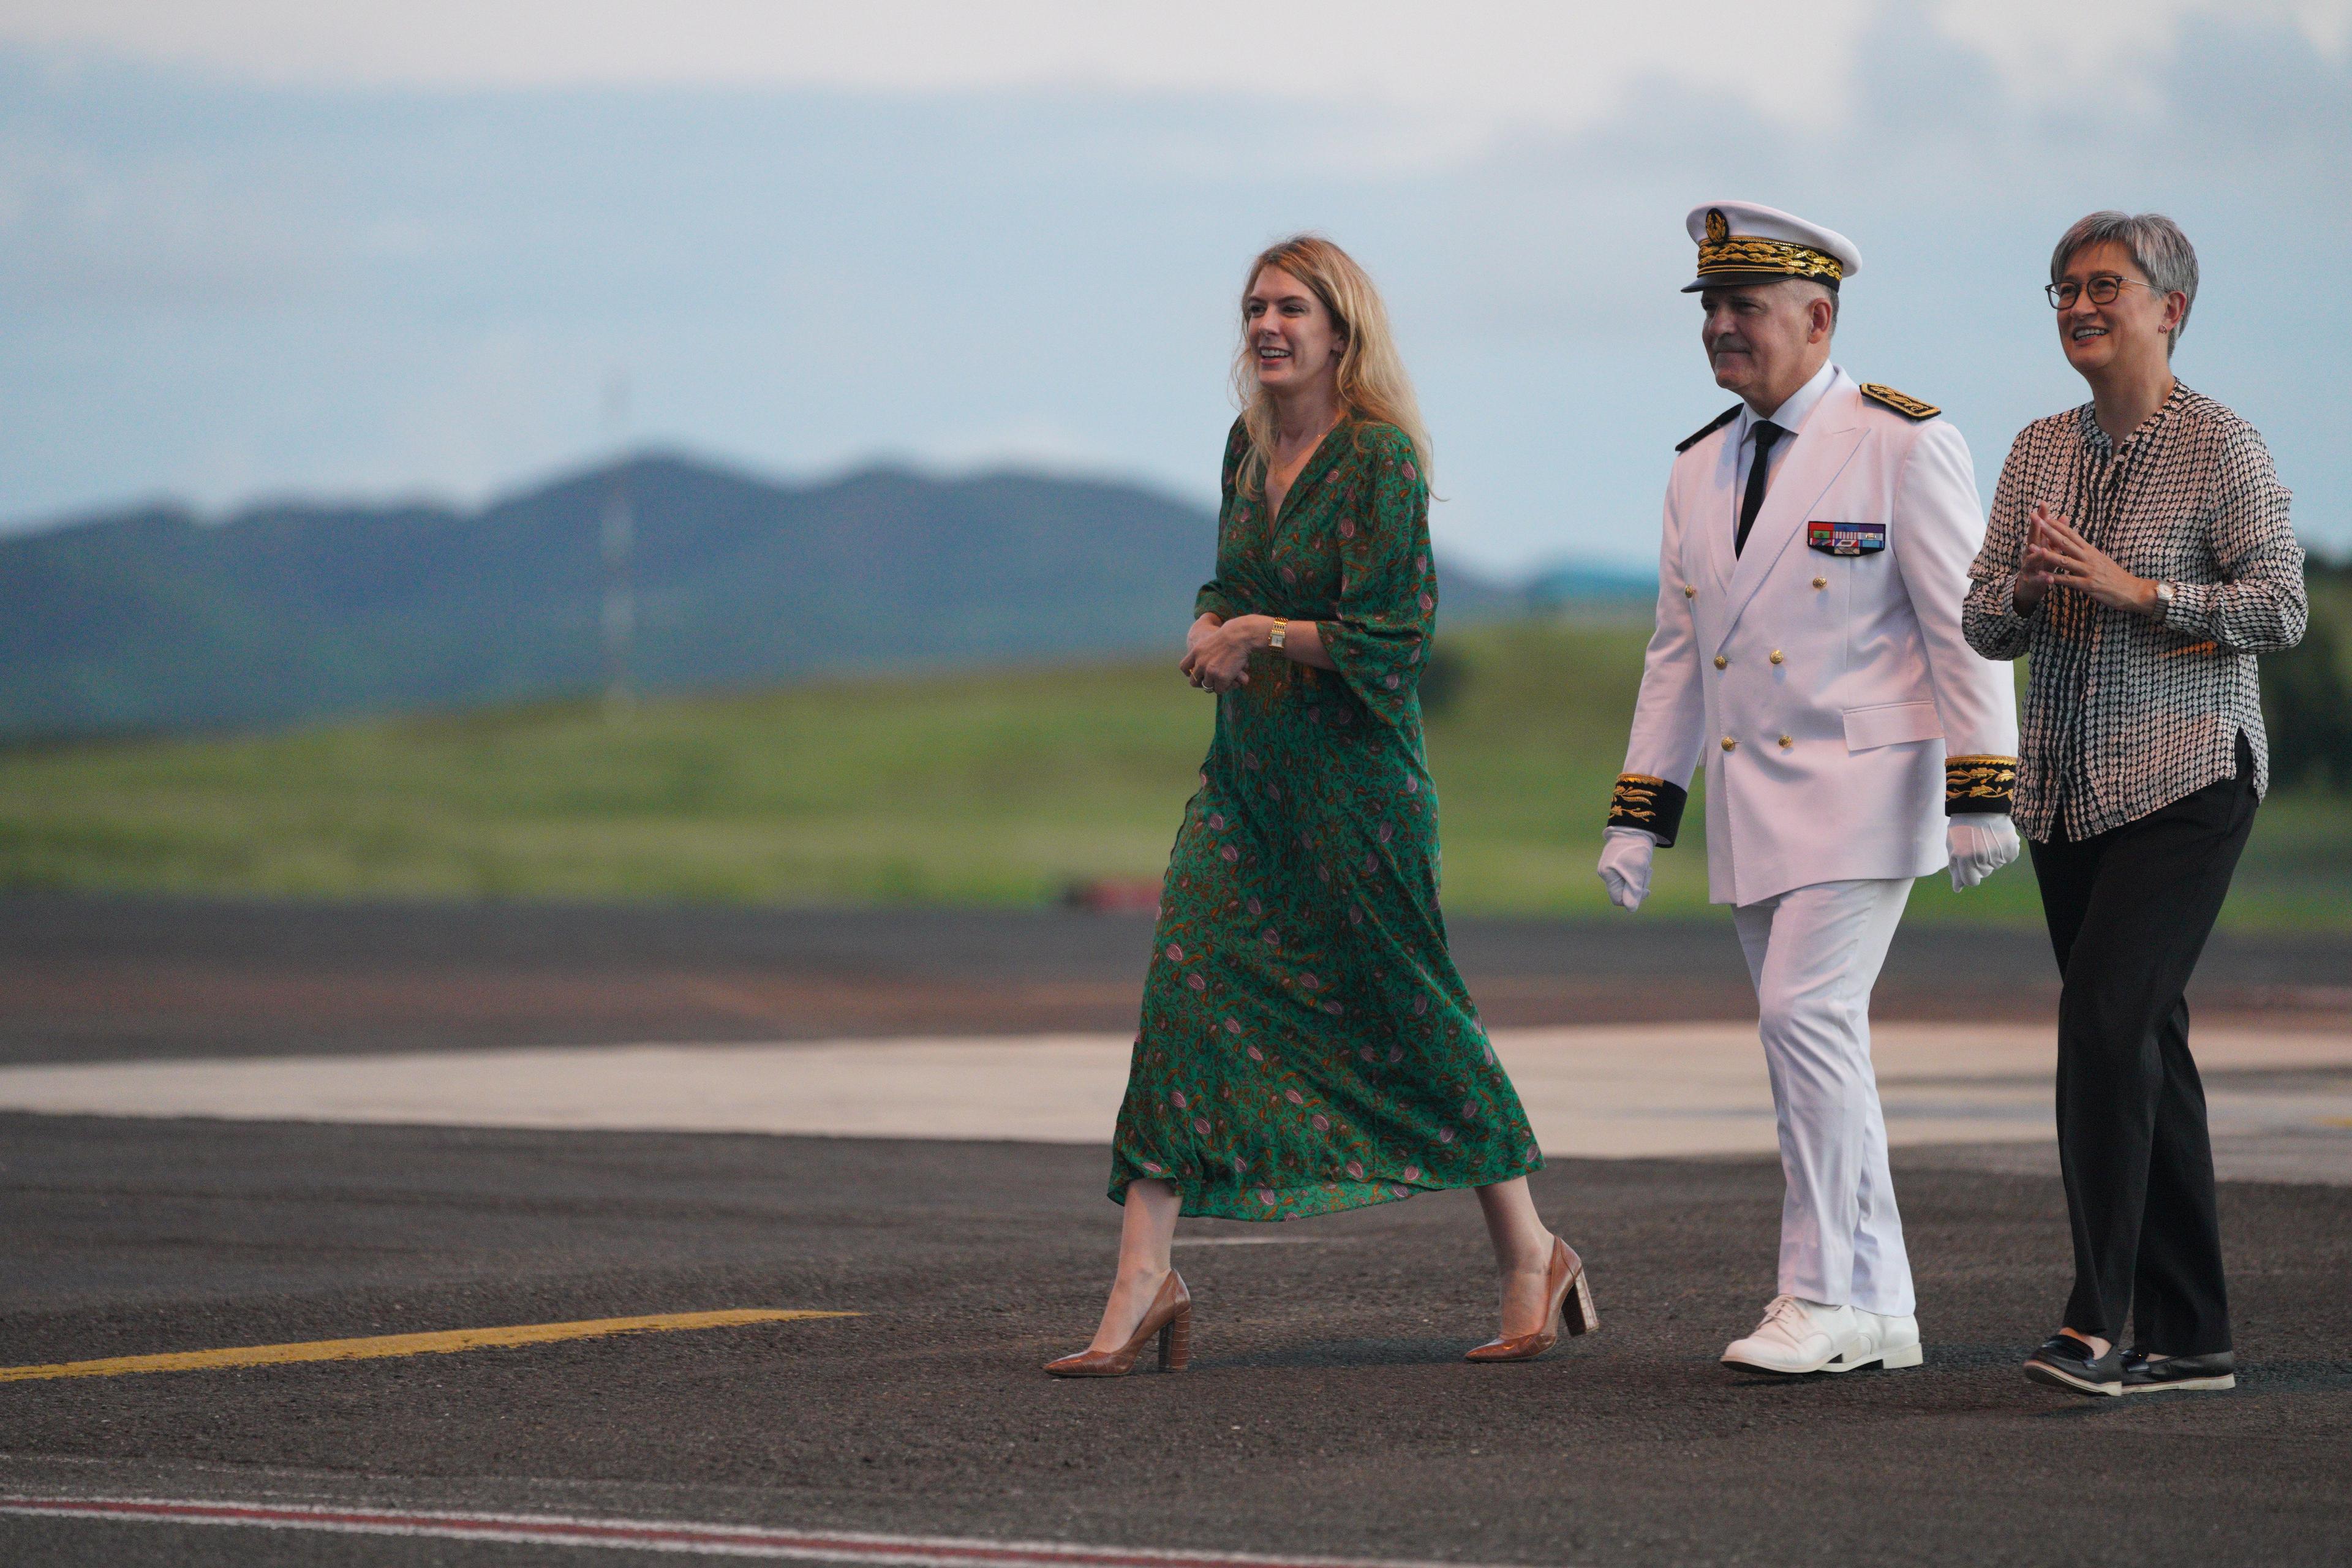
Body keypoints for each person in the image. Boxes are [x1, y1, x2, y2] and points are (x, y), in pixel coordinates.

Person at [1045, 235, 1594, 1377]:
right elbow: (1228, 583)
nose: (1267, 325)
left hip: (1360, 789)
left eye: (1291, 307)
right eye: (1254, 307)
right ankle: (1145, 1275)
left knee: (1412, 1012)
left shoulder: (1381, 462)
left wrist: (1261, 636)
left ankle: (1531, 1251)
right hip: (1246, 785)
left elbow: (1394, 639)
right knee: (1183, 991)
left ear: (1342, 330)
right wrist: (1212, 624)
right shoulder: (1246, 451)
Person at [1597, 202, 2020, 1377]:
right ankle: (1880, 1303)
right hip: (1753, 802)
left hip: (1867, 786)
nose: (1722, 328)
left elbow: (1965, 625)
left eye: (1746, 308)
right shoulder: (1696, 465)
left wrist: (1983, 784)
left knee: (1807, 1019)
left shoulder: (1900, 442)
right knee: (1811, 1040)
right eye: (1712, 309)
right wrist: (1641, 811)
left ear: (1818, 317)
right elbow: (1679, 654)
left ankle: (1821, 1293)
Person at [1964, 212, 2306, 1398]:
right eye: (2060, 288)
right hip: (2065, 789)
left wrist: (2136, 588)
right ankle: (2195, 1331)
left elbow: (2281, 606)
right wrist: (2021, 583)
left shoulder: (2224, 446)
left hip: (2188, 774)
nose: (2076, 304)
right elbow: (1979, 619)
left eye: (2103, 285)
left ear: (2171, 307)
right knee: (2144, 1037)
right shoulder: (2035, 450)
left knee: (2104, 1022)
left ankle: (2097, 1322)